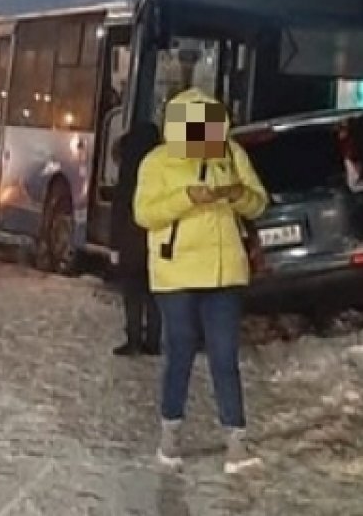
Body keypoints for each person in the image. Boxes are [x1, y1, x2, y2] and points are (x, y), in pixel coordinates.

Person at [133, 88, 268, 475]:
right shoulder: (157, 162)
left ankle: (236, 445)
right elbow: (144, 213)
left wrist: (239, 195)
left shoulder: (230, 153)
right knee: (180, 353)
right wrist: (187, 196)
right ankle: (170, 436)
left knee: (226, 357)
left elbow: (259, 202)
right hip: (175, 273)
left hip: (224, 272)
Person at [109, 121, 163, 357]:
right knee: (153, 292)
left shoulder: (129, 172)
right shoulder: (162, 167)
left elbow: (119, 208)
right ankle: (153, 340)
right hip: (155, 237)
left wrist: (114, 244)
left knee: (132, 291)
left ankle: (133, 339)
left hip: (131, 239)